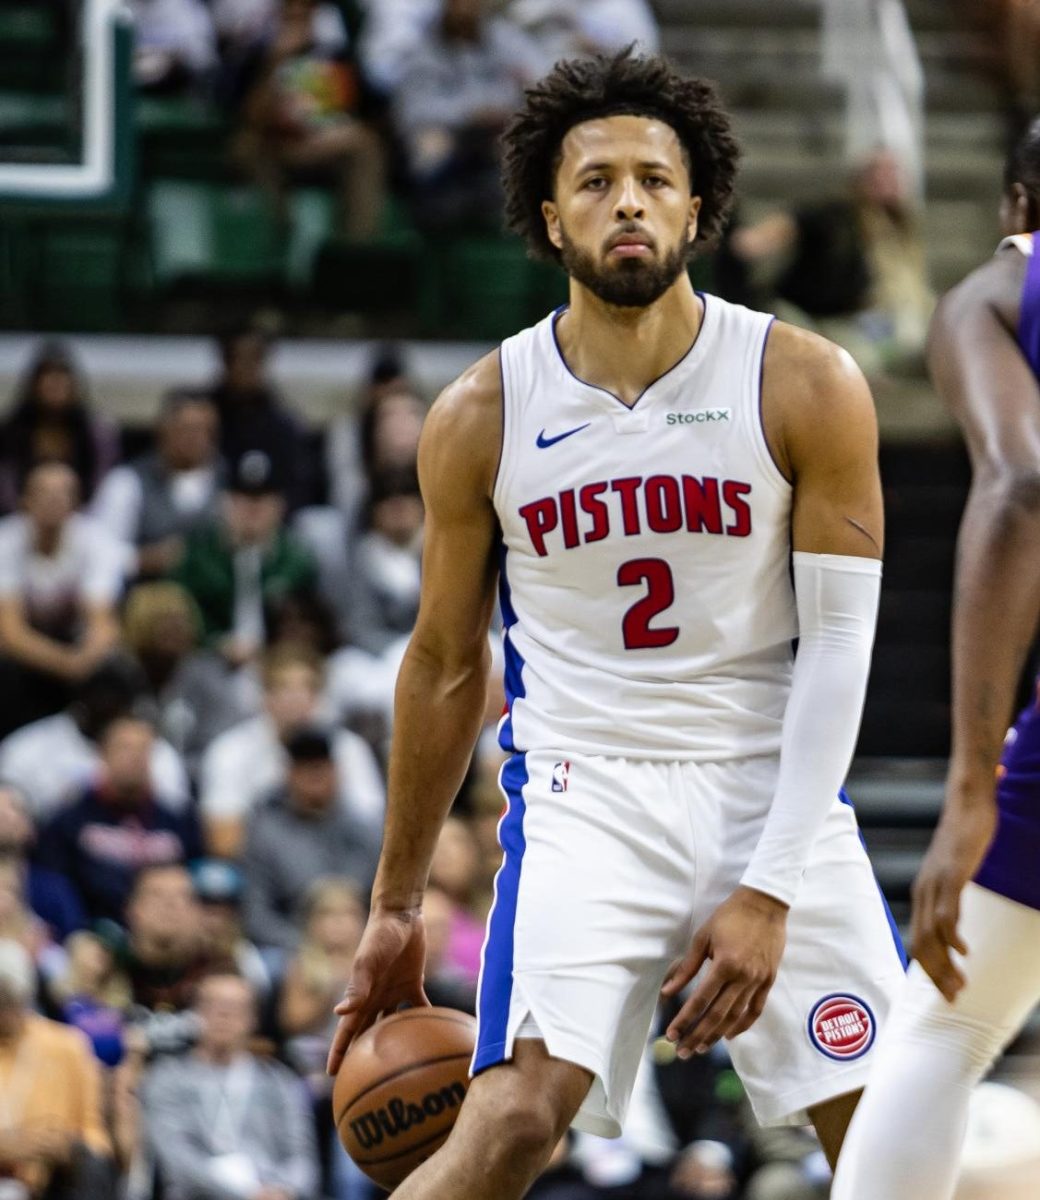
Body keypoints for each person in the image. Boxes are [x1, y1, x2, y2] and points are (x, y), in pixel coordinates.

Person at [326, 48, 905, 1200]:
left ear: (698, 208)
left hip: (766, 782)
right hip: (587, 794)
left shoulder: (802, 381)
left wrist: (770, 886)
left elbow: (840, 649)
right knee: (504, 1124)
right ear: (549, 218)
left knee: (894, 1145)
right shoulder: (481, 413)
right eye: (594, 182)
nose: (626, 200)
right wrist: (394, 903)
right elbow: (444, 663)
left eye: (652, 178)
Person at [830, 119, 1040, 1200]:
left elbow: (1016, 485)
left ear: (1013, 210)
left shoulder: (994, 296)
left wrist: (970, 782)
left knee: (945, 1027)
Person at [141, 971, 320, 1200]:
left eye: (236, 1008)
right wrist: (246, 1194)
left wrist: (284, 1190)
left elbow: (302, 1157)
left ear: (253, 1018)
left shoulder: (279, 1082)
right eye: (213, 1005)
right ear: (196, 1012)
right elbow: (177, 1157)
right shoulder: (166, 1077)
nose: (223, 1014)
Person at [198, 644, 384, 859]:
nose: (296, 698)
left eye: (307, 688)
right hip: (261, 872)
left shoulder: (348, 748)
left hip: (337, 864)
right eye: (284, 687)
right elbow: (224, 843)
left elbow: (372, 830)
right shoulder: (231, 751)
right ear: (263, 694)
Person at [35, 714, 202, 924]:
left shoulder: (178, 821)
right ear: (102, 754)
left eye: (143, 749)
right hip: (90, 932)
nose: (135, 757)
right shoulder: (69, 821)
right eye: (125, 748)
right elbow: (54, 888)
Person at [0, 462, 127, 738]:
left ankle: (104, 743)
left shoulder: (97, 542)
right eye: (44, 493)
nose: (54, 501)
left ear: (76, 502)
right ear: (25, 501)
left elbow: (102, 621)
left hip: (76, 647)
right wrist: (65, 665)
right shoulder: (5, 542)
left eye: (63, 493)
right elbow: (10, 632)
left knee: (114, 666)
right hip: (24, 653)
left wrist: (83, 662)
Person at [172, 449, 318, 667]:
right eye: (243, 498)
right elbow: (181, 614)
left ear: (279, 505)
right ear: (225, 503)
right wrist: (216, 644)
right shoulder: (199, 557)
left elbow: (315, 622)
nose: (253, 508)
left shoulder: (296, 560)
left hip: (281, 663)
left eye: (262, 499)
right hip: (210, 661)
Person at [242, 725, 381, 951]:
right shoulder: (266, 835)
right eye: (306, 768)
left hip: (363, 943)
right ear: (288, 773)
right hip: (293, 946)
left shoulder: (365, 830)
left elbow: (385, 902)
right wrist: (308, 947)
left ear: (337, 771)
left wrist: (360, 941)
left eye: (322, 767)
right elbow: (256, 915)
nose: (315, 776)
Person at [0, 938, 115, 1199]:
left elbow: (94, 1136)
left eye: (8, 999)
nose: (3, 1010)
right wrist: (8, 1148)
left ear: (24, 995)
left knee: (92, 1165)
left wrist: (66, 1148)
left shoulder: (66, 1046)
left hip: (51, 1183)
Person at [90, 389, 224, 579]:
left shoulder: (230, 481)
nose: (195, 438)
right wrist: (142, 559)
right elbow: (99, 549)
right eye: (186, 429)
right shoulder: (128, 481)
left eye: (205, 430)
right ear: (163, 429)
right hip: (146, 594)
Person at [0, 341, 118, 514]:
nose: (55, 384)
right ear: (34, 384)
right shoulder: (11, 431)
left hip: (82, 520)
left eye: (62, 377)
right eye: (48, 376)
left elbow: (103, 485)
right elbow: (6, 484)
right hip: (20, 520)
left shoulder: (96, 432)